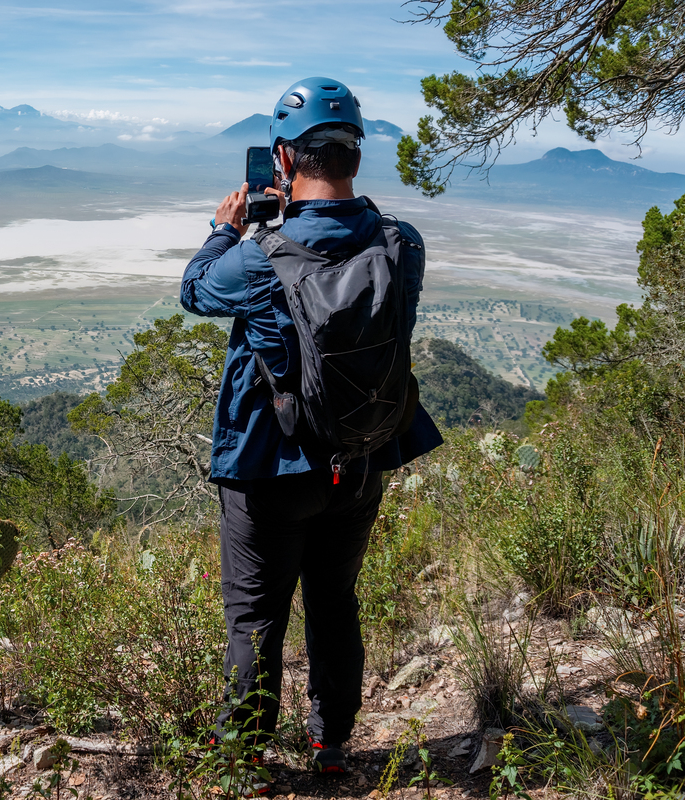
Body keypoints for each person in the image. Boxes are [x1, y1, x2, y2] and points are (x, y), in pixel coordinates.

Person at [180, 77, 443, 779]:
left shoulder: (259, 256)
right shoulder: (401, 244)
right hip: (360, 454)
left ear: (284, 161)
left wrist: (225, 227)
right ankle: (330, 745)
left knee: (256, 616)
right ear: (356, 156)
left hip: (269, 465)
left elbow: (193, 288)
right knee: (334, 600)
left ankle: (242, 753)